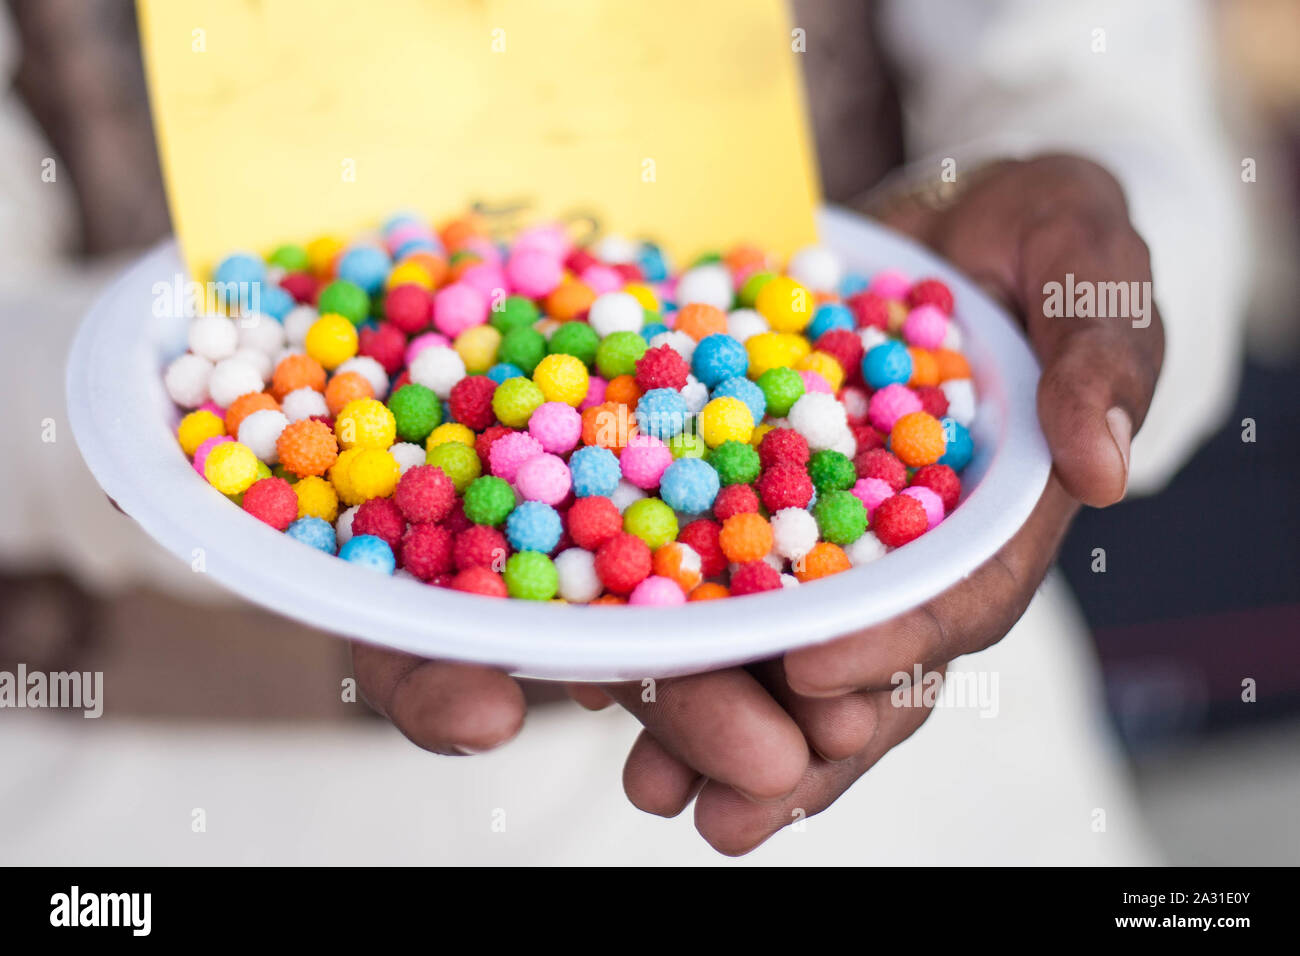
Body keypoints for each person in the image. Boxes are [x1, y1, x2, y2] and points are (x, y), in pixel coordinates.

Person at [0, 0, 1245, 863]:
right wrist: (145, 415)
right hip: (144, 796)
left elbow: (1106, 97)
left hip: (919, 798)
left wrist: (1078, 257)